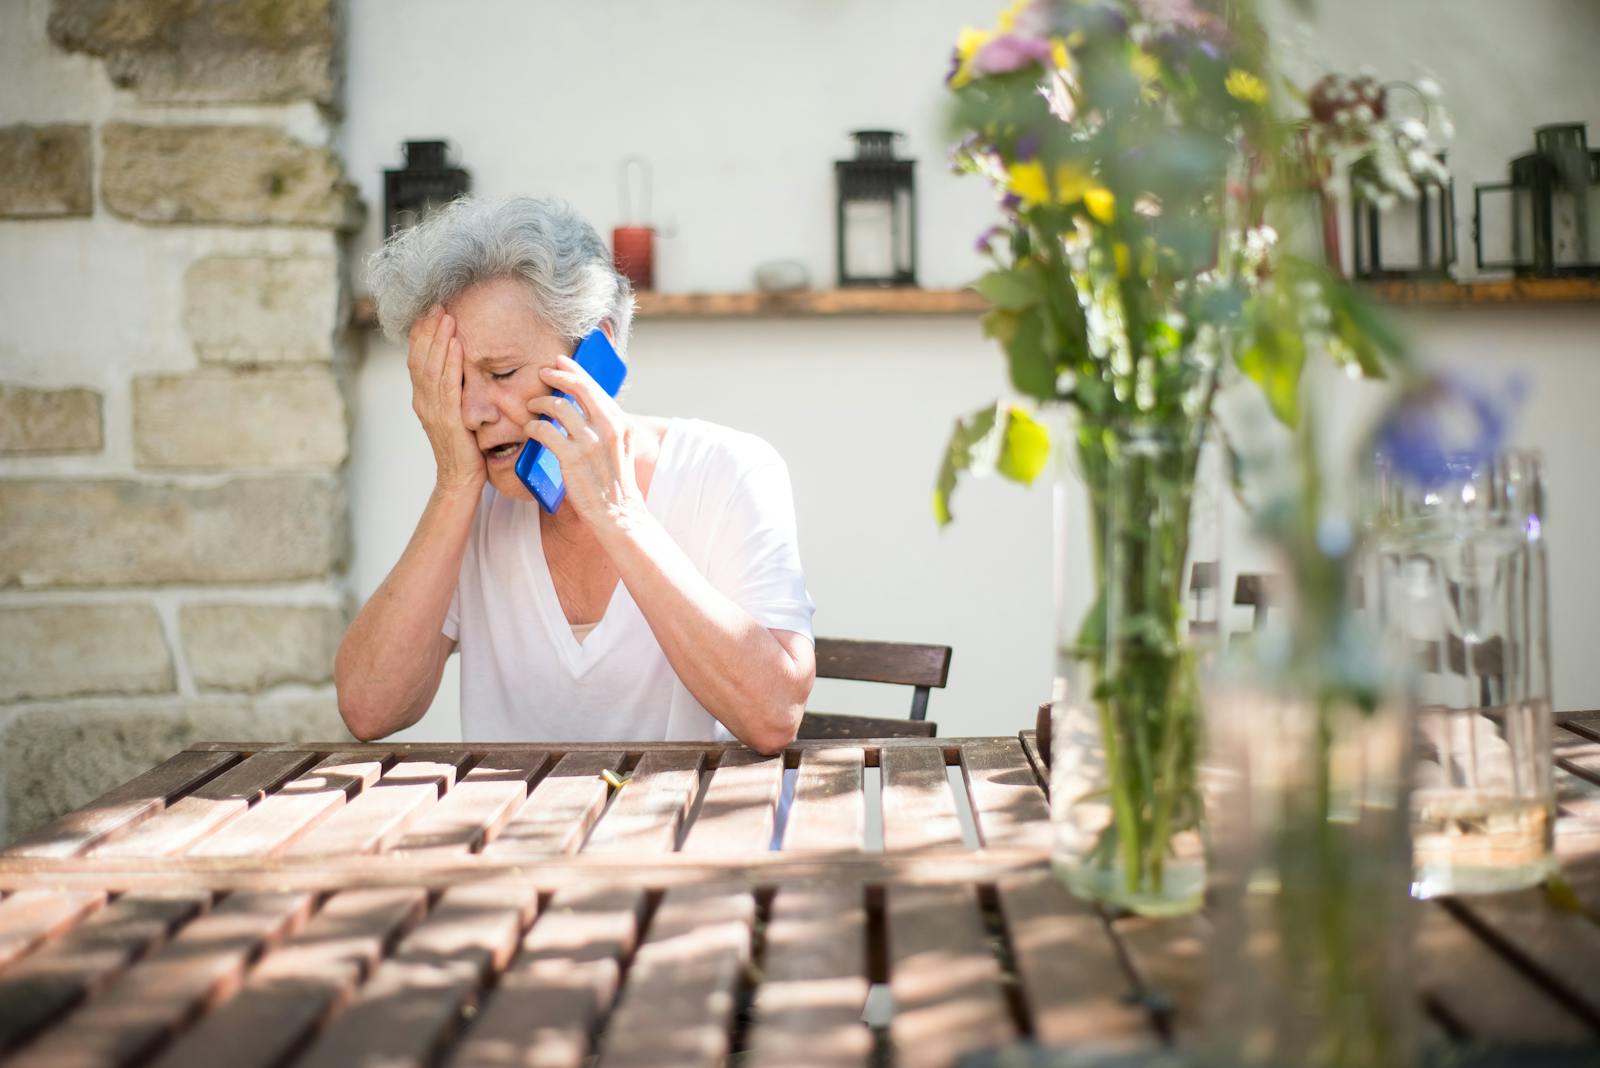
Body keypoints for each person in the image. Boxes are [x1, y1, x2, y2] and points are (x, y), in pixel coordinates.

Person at [335, 196, 816, 753]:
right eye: (457, 384)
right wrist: (452, 488)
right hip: (511, 834)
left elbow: (774, 714)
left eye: (502, 372)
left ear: (598, 351)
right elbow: (369, 709)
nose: (473, 413)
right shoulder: (473, 502)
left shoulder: (728, 471)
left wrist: (618, 514)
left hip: (687, 831)